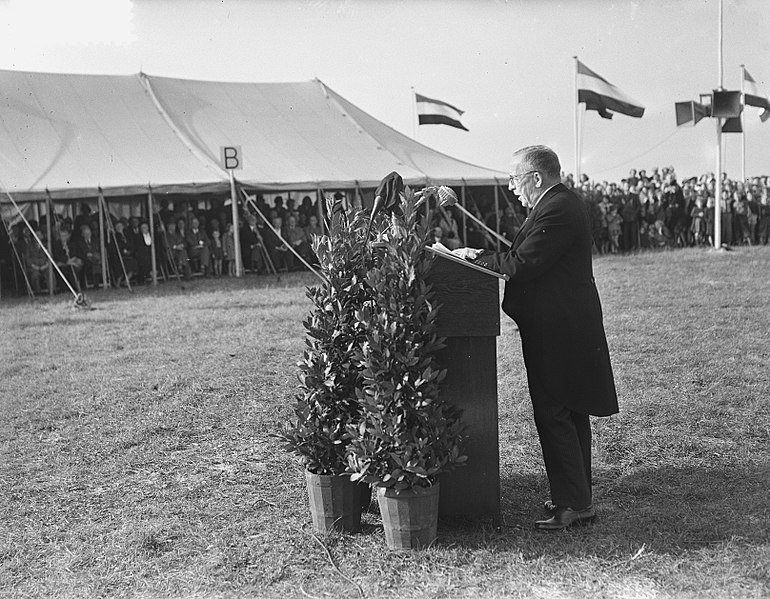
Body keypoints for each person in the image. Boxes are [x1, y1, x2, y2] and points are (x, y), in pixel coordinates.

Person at [452, 145, 618, 531]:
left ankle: (574, 504)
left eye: (515, 179)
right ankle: (576, 497)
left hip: (558, 329)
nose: (512, 188)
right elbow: (523, 256)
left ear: (536, 178)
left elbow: (522, 264)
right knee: (568, 410)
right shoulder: (559, 203)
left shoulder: (557, 207)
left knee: (556, 412)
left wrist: (474, 257)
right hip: (563, 325)